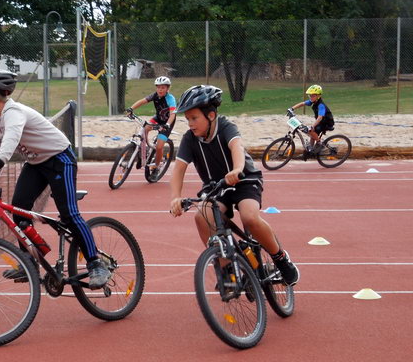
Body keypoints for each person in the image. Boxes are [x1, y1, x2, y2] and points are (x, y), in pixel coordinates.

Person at [0, 68, 111, 289]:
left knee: (69, 214)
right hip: (36, 164)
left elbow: (9, 144)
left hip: (59, 159)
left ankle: (96, 264)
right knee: (18, 210)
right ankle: (29, 263)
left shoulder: (13, 112)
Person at [168, 85, 299, 286]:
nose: (191, 124)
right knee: (202, 216)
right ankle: (225, 267)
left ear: (211, 115)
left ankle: (280, 258)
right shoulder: (189, 139)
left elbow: (236, 146)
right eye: (187, 119)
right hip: (216, 187)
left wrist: (237, 169)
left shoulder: (226, 127)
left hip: (244, 180)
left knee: (249, 217)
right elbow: (178, 170)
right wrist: (175, 197)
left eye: (194, 118)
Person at [125, 76, 177, 178]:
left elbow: (172, 114)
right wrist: (131, 109)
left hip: (167, 123)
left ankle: (156, 168)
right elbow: (142, 101)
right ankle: (143, 154)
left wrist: (167, 125)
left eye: (163, 88)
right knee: (145, 128)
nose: (160, 90)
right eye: (158, 87)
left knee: (159, 146)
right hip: (157, 118)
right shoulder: (155, 95)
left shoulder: (171, 99)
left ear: (167, 89)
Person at [287, 84, 334, 153]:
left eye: (313, 96)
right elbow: (302, 103)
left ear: (318, 96)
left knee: (311, 130)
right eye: (310, 95)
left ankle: (320, 143)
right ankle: (310, 150)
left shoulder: (321, 105)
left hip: (326, 123)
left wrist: (312, 126)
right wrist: (292, 108)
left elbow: (320, 117)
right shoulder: (312, 101)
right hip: (320, 121)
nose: (311, 97)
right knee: (311, 133)